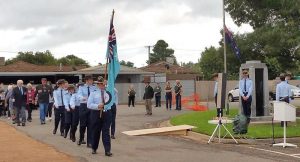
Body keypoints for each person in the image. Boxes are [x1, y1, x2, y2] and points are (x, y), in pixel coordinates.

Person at [87, 76, 113, 156]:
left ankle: (107, 150)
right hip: (96, 113)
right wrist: (98, 106)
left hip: (106, 113)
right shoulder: (93, 93)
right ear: (97, 84)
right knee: (96, 132)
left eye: (103, 84)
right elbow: (89, 105)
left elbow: (115, 91)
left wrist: (108, 85)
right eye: (100, 84)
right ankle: (94, 148)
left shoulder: (108, 91)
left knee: (106, 132)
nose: (101, 85)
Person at [77, 75, 96, 147]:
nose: (92, 81)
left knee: (90, 125)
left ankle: (90, 142)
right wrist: (83, 98)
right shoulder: (81, 87)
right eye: (91, 80)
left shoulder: (94, 87)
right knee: (83, 124)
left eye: (92, 80)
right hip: (83, 106)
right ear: (87, 80)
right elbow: (79, 96)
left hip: (91, 107)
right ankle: (81, 138)